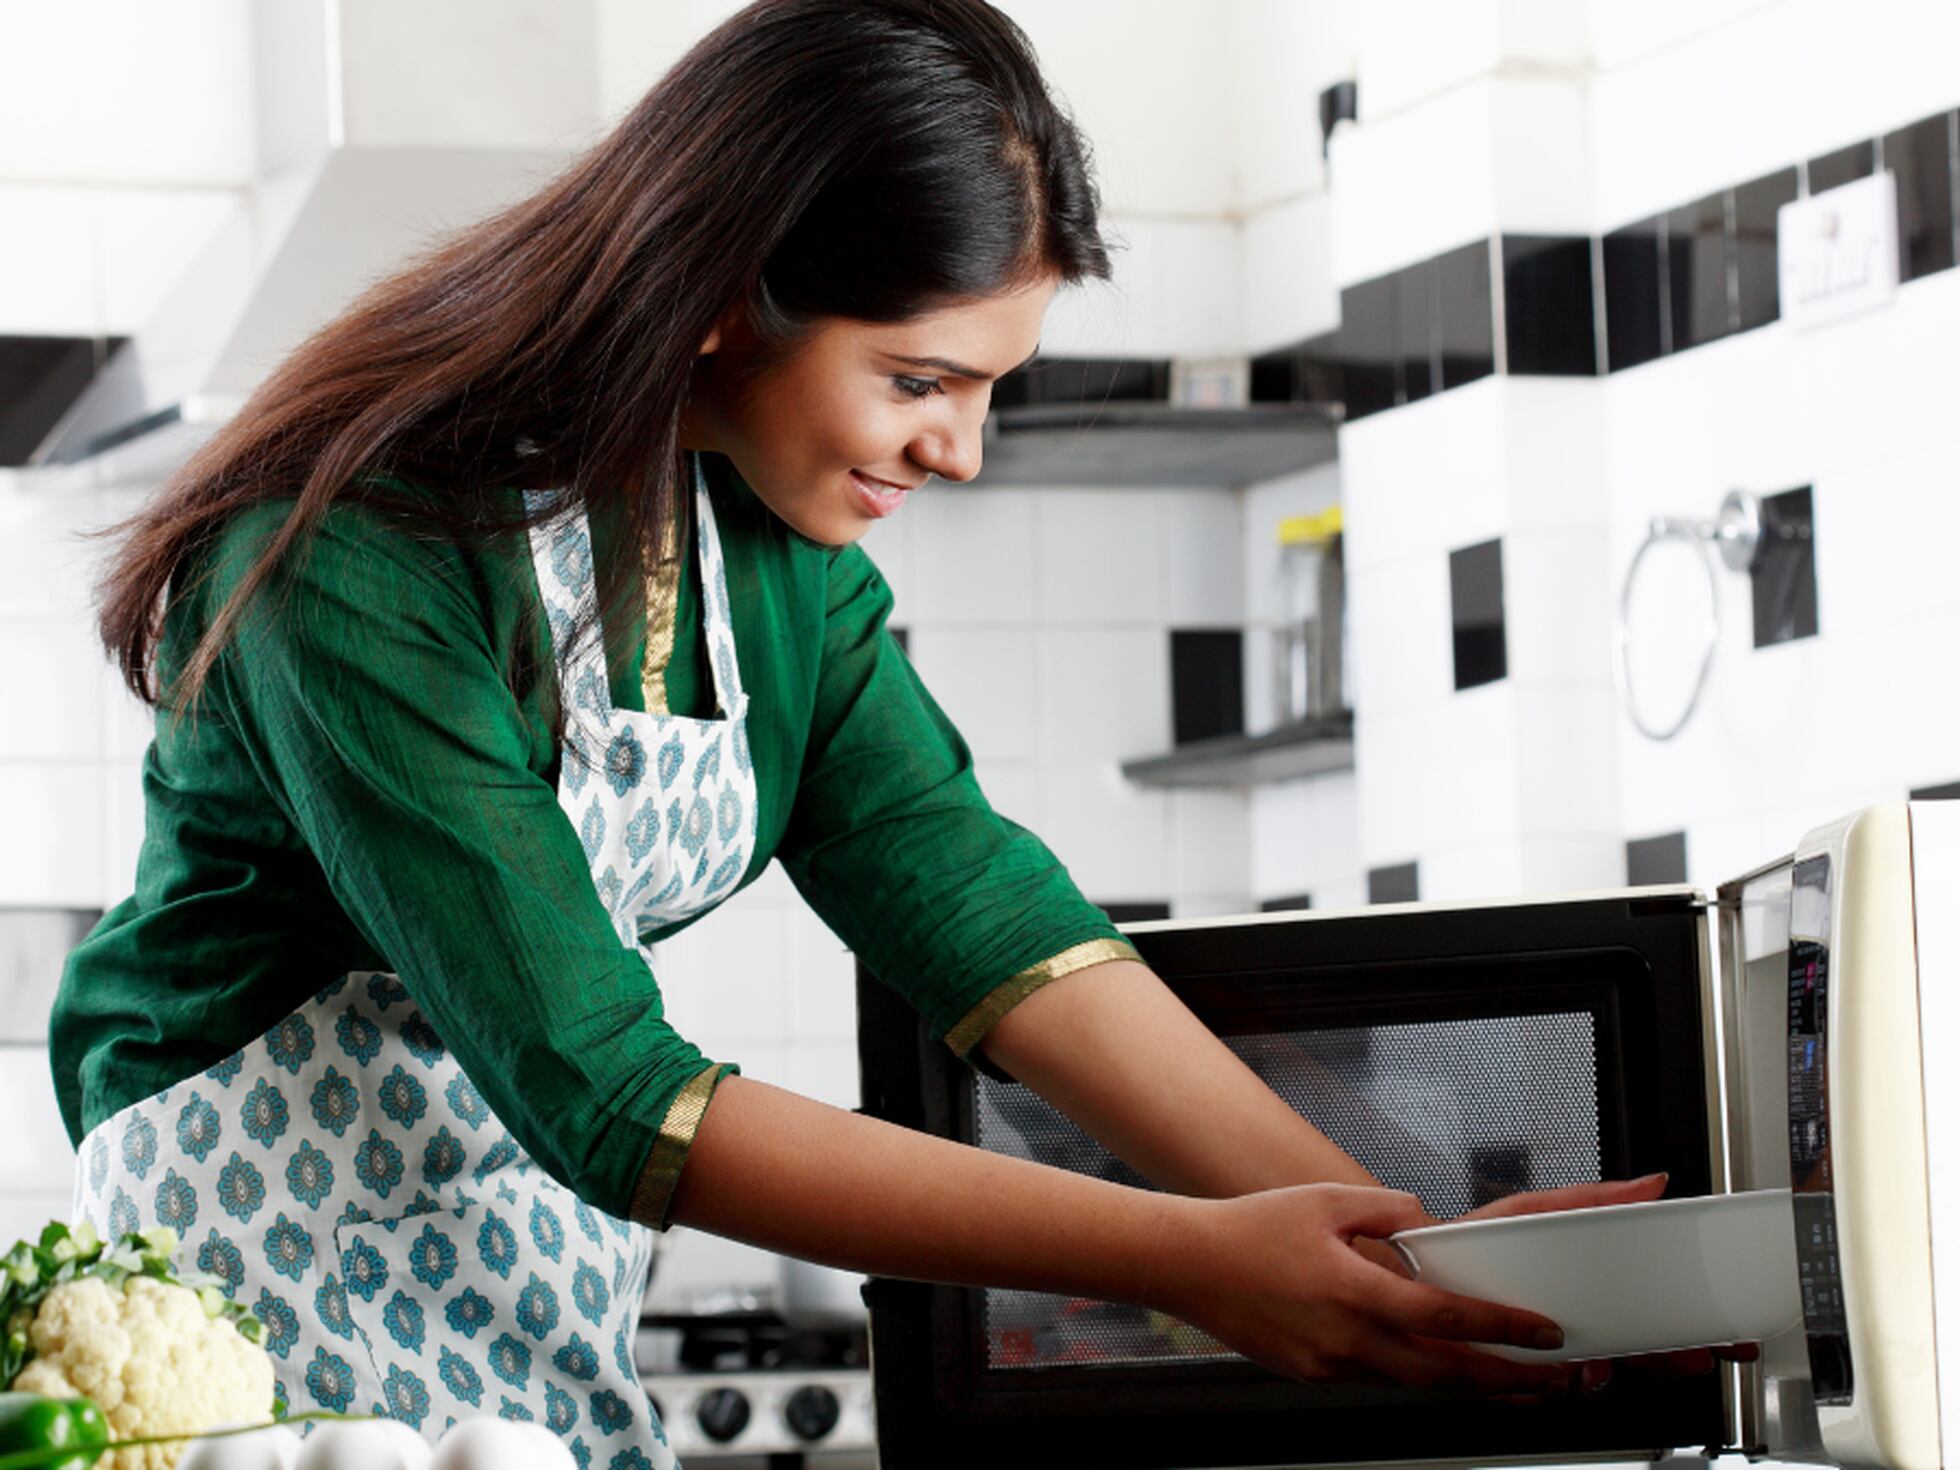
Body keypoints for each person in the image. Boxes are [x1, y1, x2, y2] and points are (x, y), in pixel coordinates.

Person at [51, 1, 1679, 1462]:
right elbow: (605, 1087)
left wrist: (1390, 1245)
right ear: (723, 297)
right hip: (249, 1290)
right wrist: (1189, 1255)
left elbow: (975, 908)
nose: (960, 450)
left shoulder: (767, 548)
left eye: (989, 389)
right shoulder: (352, 556)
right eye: (920, 379)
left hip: (530, 1258)